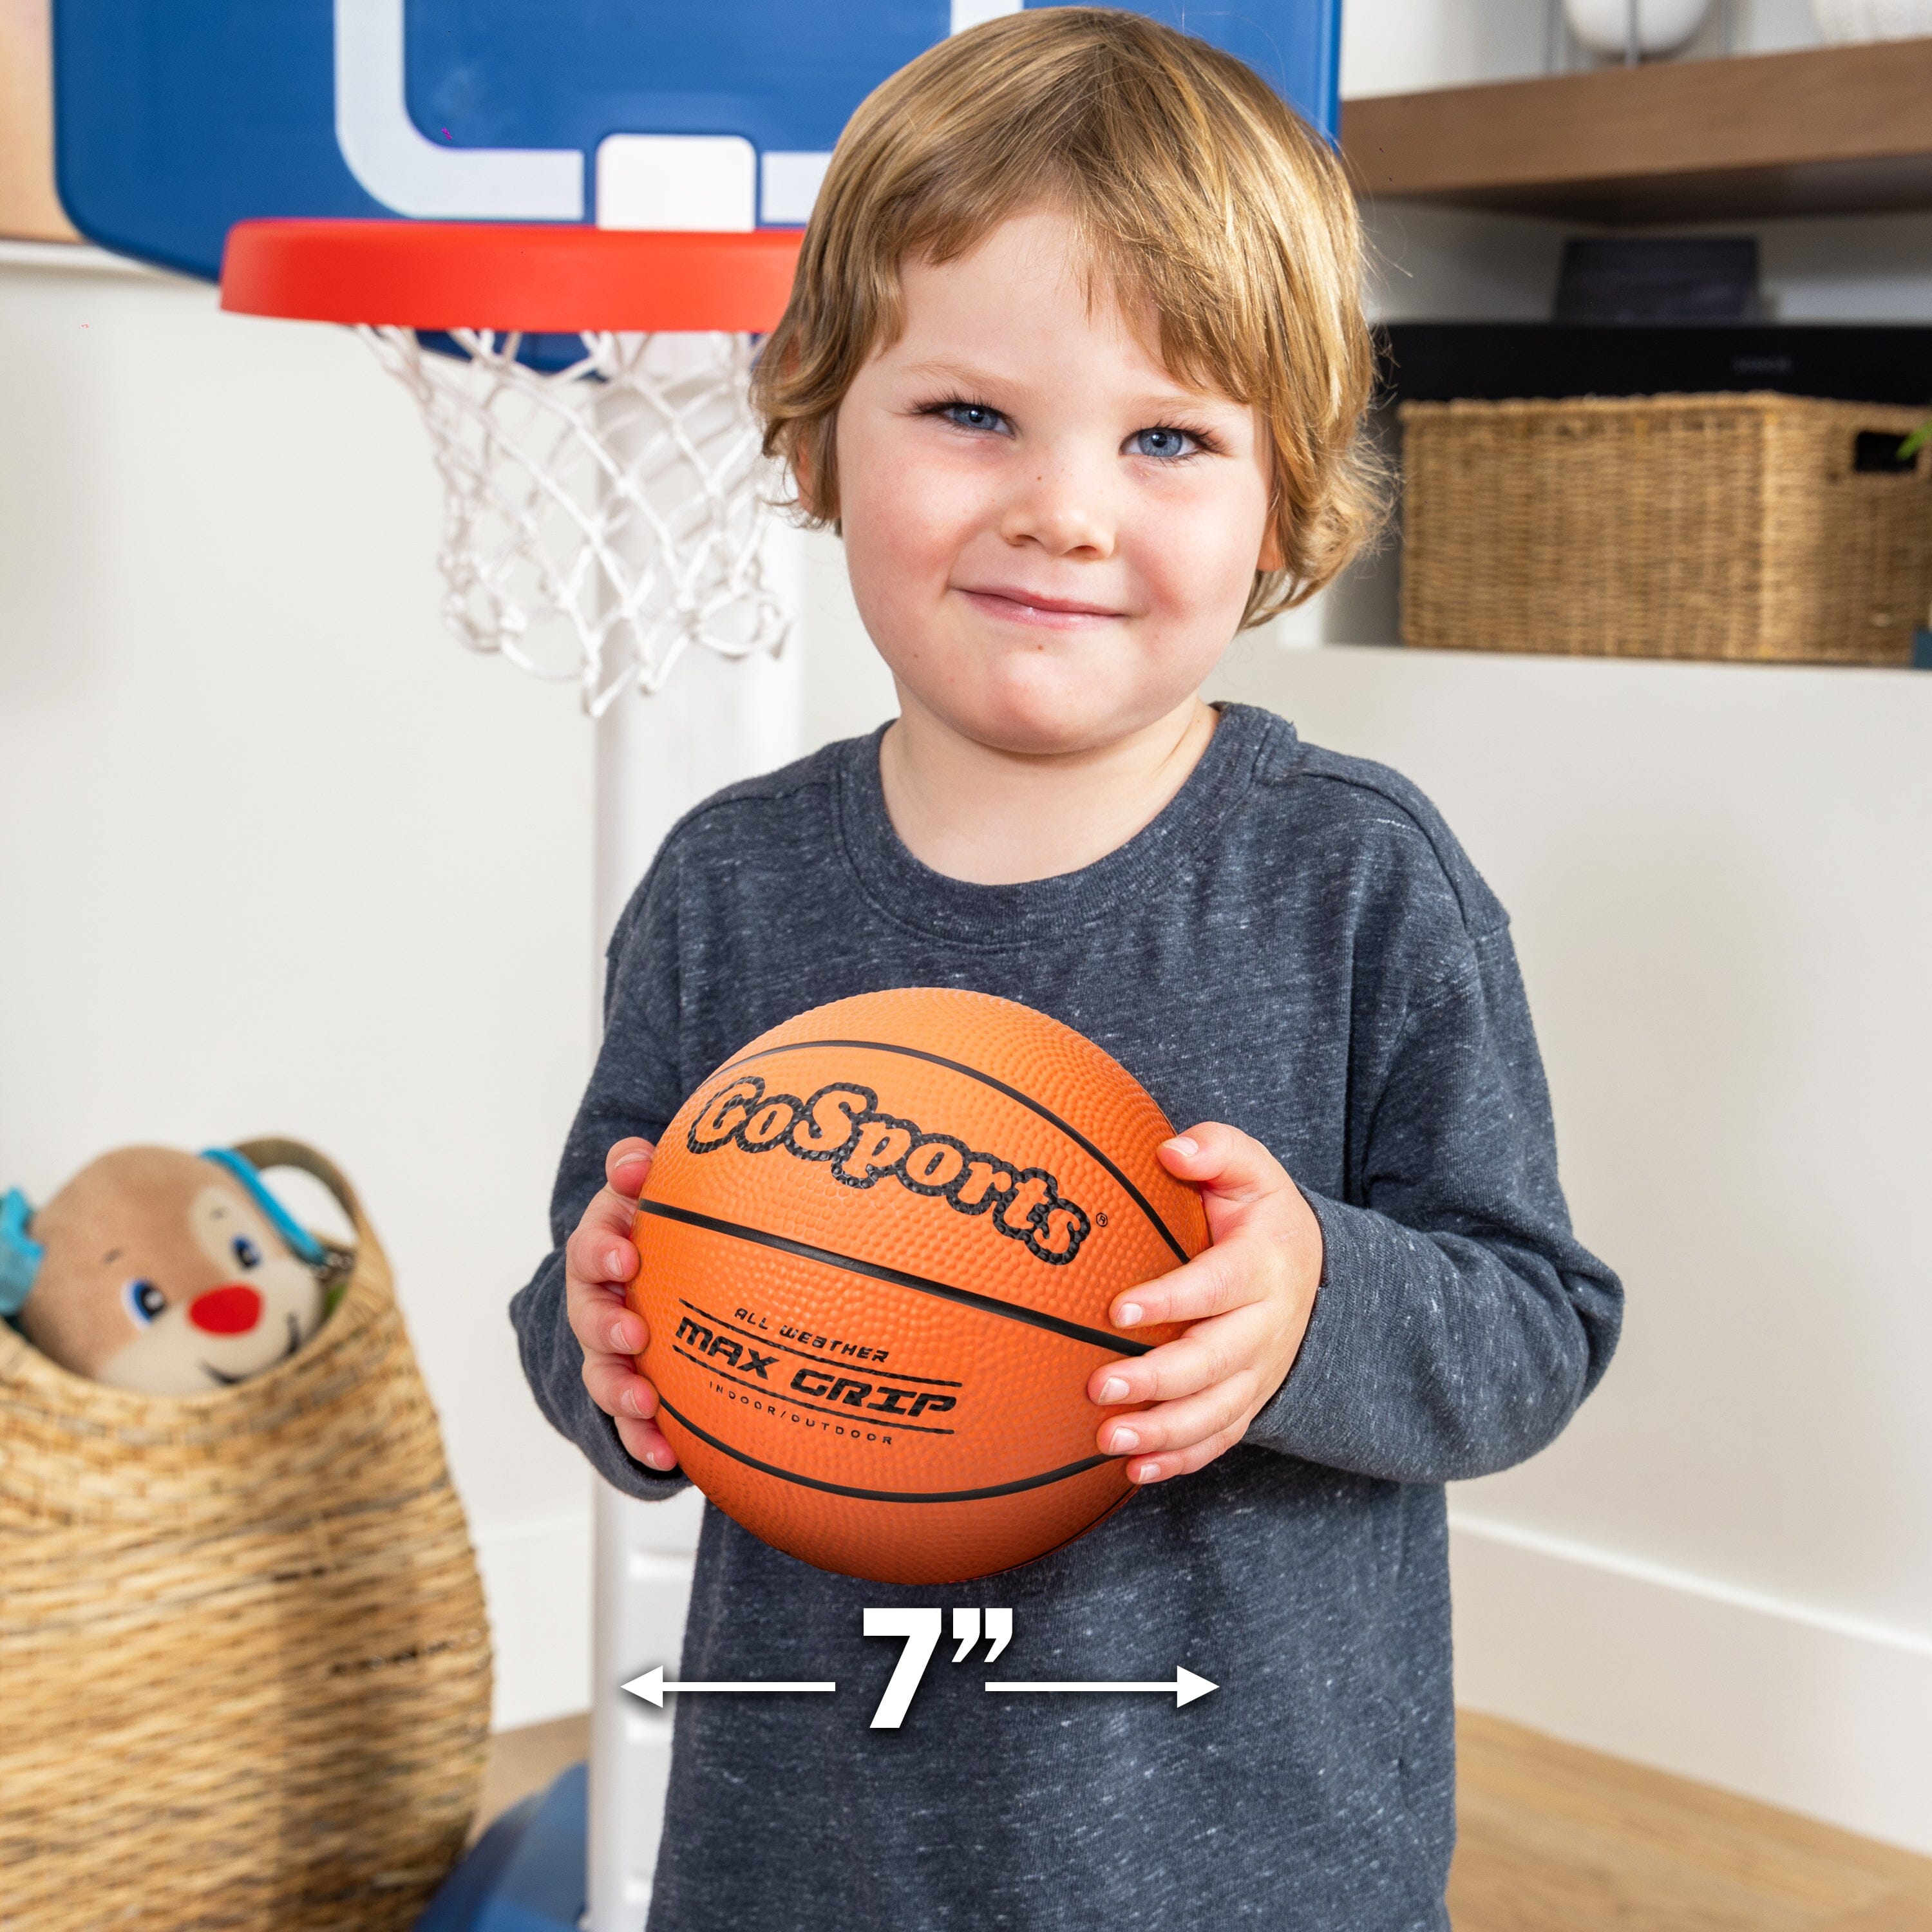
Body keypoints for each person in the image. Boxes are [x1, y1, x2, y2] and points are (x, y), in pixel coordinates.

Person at [509, 11, 1622, 1927]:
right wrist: (604, 1350)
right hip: (809, 1855)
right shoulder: (733, 888)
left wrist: (1313, 1309)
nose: (1065, 506)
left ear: (1285, 496)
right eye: (970, 414)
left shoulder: (1356, 880)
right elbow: (597, 1298)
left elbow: (1535, 1323)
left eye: (1170, 437)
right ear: (821, 424)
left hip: (1245, 1863)